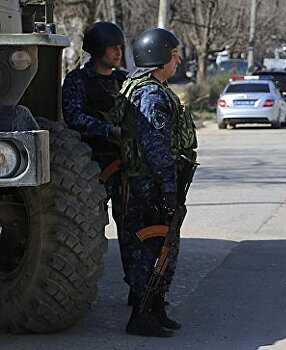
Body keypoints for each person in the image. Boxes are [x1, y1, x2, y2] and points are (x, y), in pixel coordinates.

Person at [119, 28, 197, 337]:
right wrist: (167, 188)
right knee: (153, 249)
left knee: (162, 246)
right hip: (149, 183)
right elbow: (156, 147)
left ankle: (155, 307)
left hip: (150, 181)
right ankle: (142, 313)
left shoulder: (149, 88)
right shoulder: (150, 94)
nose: (178, 61)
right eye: (174, 55)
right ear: (159, 58)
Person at [61, 21, 132, 297]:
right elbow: (74, 118)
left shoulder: (124, 80)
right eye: (112, 48)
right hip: (90, 167)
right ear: (98, 50)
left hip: (124, 166)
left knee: (131, 231)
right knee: (87, 231)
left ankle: (137, 290)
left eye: (120, 48)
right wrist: (108, 131)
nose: (117, 53)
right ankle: (80, 290)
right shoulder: (78, 81)